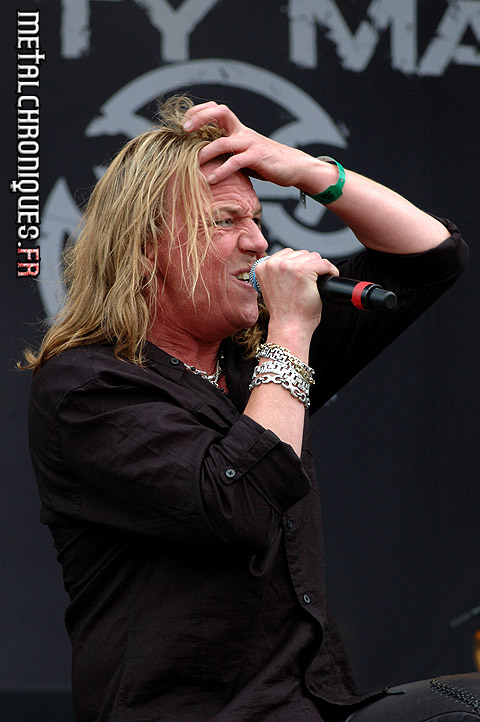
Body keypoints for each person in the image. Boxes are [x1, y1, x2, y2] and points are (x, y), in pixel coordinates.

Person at [25, 96, 477, 721]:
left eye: (258, 218)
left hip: (312, 704)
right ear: (146, 247)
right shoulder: (88, 387)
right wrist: (290, 330)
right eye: (224, 221)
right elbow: (240, 504)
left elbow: (431, 257)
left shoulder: (248, 359)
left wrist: (303, 169)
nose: (258, 242)